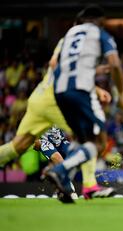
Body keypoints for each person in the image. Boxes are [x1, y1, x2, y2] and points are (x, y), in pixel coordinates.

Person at [0, 38, 116, 201]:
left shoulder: (66, 45)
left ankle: (66, 185)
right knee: (78, 145)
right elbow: (61, 68)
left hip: (56, 133)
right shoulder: (72, 49)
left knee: (18, 146)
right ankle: (82, 188)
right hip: (44, 133)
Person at [44, 4, 123, 203]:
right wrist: (122, 94)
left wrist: (96, 70)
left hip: (59, 91)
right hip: (81, 91)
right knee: (98, 142)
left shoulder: (69, 34)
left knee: (82, 141)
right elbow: (116, 64)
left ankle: (65, 184)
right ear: (100, 21)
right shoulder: (101, 34)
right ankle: (61, 170)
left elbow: (59, 64)